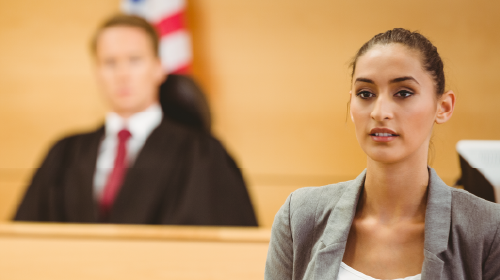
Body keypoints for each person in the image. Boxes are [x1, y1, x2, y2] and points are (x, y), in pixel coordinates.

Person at [265, 28, 500, 279]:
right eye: (366, 94)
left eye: (403, 93)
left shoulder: (488, 229)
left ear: (443, 107)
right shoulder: (300, 217)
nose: (380, 111)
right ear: (352, 105)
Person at [14, 14, 258, 226]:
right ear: (97, 72)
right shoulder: (65, 153)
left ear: (159, 68)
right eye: (110, 63)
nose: (122, 74)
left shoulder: (202, 153)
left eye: (135, 60)